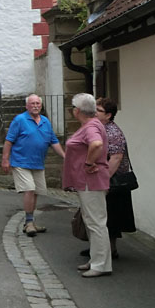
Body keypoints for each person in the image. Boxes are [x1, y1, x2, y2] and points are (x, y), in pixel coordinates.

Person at [1, 94, 65, 236]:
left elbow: (53, 142)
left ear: (41, 106)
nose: (35, 106)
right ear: (26, 106)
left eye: (37, 103)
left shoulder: (46, 122)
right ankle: (29, 223)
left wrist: (65, 157)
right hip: (20, 162)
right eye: (32, 103)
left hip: (38, 163)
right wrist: (5, 159)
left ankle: (30, 221)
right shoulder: (20, 120)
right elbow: (9, 141)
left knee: (36, 192)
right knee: (29, 189)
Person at [63, 93, 112, 278]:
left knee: (96, 222)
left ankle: (101, 264)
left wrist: (90, 163)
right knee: (92, 221)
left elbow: (97, 144)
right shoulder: (91, 125)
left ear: (77, 111)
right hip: (88, 182)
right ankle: (97, 260)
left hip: (91, 181)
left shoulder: (91, 126)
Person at [96, 97, 136, 258]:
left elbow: (116, 158)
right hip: (107, 179)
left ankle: (109, 250)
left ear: (108, 115)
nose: (95, 113)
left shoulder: (112, 132)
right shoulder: (101, 128)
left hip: (114, 181)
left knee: (111, 217)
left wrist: (104, 180)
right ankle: (101, 248)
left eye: (99, 111)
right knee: (103, 215)